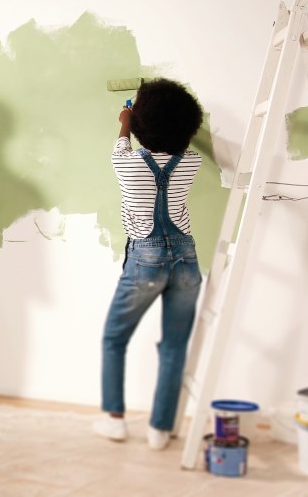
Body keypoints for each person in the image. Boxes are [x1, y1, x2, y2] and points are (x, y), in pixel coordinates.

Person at [92, 78, 205, 450]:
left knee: (114, 337)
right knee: (174, 346)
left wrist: (125, 117)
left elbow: (123, 139)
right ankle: (159, 429)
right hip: (187, 259)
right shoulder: (192, 161)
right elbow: (178, 139)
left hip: (146, 258)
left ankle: (114, 420)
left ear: (142, 125)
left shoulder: (123, 163)